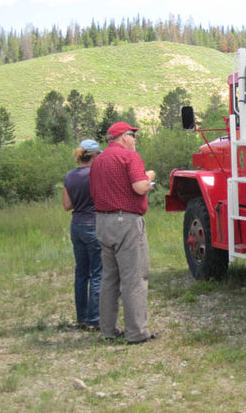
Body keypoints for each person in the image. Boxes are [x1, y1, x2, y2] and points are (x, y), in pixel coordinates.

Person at [89, 121, 157, 345]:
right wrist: (149, 179)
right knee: (134, 278)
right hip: (126, 221)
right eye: (133, 135)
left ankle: (108, 329)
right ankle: (136, 333)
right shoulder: (129, 157)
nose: (135, 139)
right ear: (124, 137)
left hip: (102, 221)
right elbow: (138, 186)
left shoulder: (97, 161)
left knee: (109, 278)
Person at [63, 139, 103, 330]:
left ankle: (82, 318)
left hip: (76, 225)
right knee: (97, 273)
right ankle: (95, 319)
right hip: (93, 224)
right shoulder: (95, 174)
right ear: (94, 155)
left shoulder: (69, 176)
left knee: (81, 273)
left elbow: (66, 205)